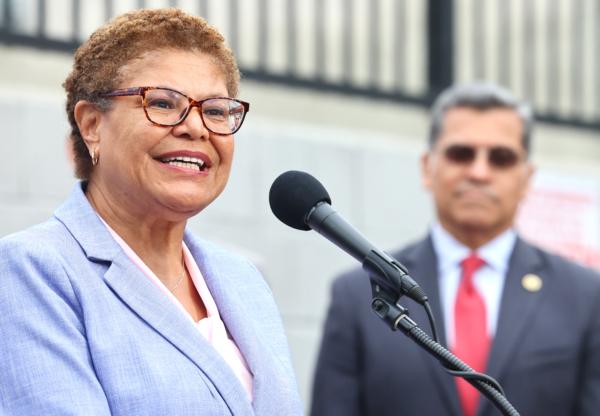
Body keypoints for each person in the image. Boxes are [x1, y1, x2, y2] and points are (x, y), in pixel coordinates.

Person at [0, 8, 302, 415]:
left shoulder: (243, 279)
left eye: (215, 110)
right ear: (91, 124)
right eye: (162, 103)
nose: (196, 127)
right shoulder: (34, 271)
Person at [310, 82, 600, 416]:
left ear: (526, 178)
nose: (479, 172)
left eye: (501, 158)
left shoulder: (583, 296)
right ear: (427, 167)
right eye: (461, 154)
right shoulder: (357, 295)